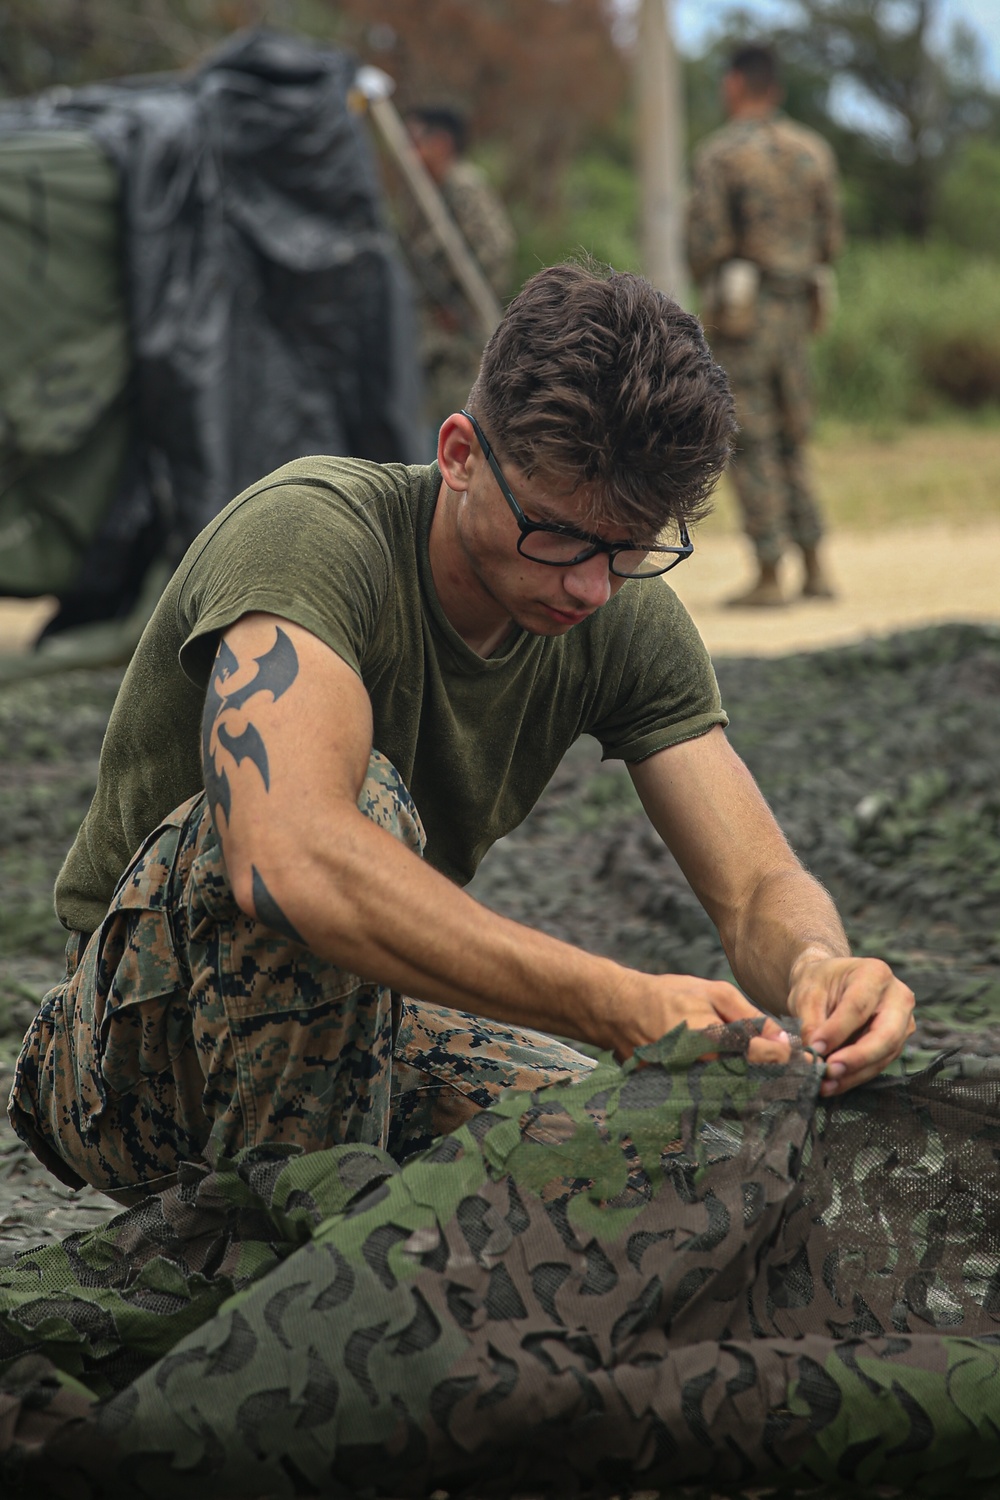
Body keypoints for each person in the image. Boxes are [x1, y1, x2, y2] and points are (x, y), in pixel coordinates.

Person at [7, 262, 913, 1202]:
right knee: (361, 801)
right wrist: (614, 999)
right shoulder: (313, 535)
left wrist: (820, 965)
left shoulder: (617, 613)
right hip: (128, 1057)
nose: (590, 586)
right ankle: (272, 1256)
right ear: (459, 456)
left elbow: (755, 882)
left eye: (632, 547)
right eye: (559, 535)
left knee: (660, 1160)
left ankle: (334, 1211)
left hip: (364, 1024)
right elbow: (290, 855)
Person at [686, 43, 842, 608]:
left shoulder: (721, 155)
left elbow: (704, 244)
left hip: (745, 315)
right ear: (774, 86)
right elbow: (832, 239)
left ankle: (771, 571)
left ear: (734, 84)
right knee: (794, 436)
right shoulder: (813, 151)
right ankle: (817, 565)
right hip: (798, 312)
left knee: (748, 438)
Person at [402, 105, 516, 451]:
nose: (410, 151)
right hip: (435, 344)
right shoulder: (426, 193)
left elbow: (496, 248)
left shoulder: (463, 185)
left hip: (461, 345)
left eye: (416, 140)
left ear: (441, 143)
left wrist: (462, 309)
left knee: (466, 431)